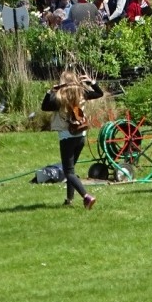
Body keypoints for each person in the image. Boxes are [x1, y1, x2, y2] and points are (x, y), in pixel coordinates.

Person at [41, 72, 103, 208]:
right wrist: (91, 82)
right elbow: (99, 93)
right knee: (71, 170)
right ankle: (69, 199)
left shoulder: (58, 99)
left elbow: (44, 107)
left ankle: (86, 196)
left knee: (68, 172)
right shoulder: (82, 94)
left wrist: (49, 91)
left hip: (66, 137)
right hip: (81, 135)